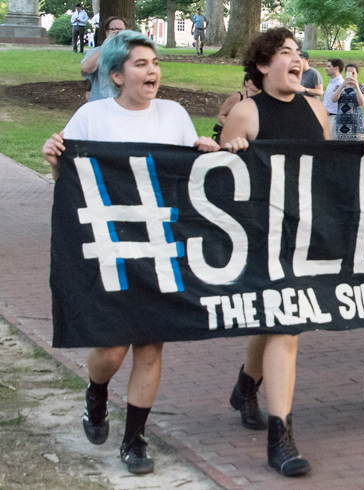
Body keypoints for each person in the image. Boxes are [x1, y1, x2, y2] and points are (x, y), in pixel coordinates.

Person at [41, 30, 220, 475]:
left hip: (160, 246)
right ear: (116, 75)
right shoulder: (91, 116)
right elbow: (69, 172)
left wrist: (205, 151)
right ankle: (96, 391)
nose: (153, 71)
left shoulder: (174, 114)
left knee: (151, 345)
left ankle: (134, 440)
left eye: (155, 62)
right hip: (109, 247)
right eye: (141, 64)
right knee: (112, 348)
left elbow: (186, 175)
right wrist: (53, 154)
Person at [220, 27, 336, 477]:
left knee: (277, 322)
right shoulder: (247, 112)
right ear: (263, 66)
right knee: (285, 326)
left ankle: (247, 385)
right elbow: (221, 181)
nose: (297, 60)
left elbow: (325, 172)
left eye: (299, 54)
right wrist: (232, 151)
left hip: (303, 236)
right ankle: (281, 435)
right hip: (259, 236)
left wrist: (360, 151)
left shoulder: (315, 109)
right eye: (285, 53)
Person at [80, 16, 125, 103]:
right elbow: (85, 70)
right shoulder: (94, 53)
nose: (117, 33)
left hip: (123, 108)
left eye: (121, 30)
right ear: (107, 32)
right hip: (100, 106)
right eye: (113, 30)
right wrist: (105, 46)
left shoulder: (133, 53)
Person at [212, 73, 260, 141]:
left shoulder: (262, 100)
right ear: (246, 82)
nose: (257, 82)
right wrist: (231, 128)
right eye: (253, 80)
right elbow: (221, 115)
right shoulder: (238, 97)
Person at [330, 63, 364, 140]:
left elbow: (362, 102)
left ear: (357, 74)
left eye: (353, 73)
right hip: (341, 124)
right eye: (349, 73)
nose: (351, 76)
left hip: (356, 124)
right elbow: (333, 99)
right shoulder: (339, 87)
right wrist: (342, 85)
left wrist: (357, 86)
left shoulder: (362, 88)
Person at [322, 58, 344, 137]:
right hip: (326, 117)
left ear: (336, 68)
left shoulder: (340, 84)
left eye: (328, 66)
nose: (326, 68)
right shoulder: (331, 83)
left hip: (333, 118)